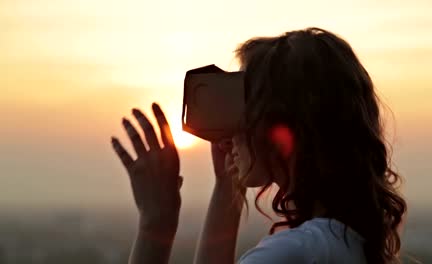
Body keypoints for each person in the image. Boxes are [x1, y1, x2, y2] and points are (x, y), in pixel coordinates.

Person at [110, 27, 407, 264]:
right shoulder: (344, 242)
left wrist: (156, 224)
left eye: (245, 105)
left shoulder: (293, 253)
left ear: (275, 123)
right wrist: (227, 184)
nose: (232, 128)